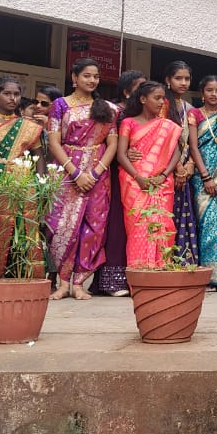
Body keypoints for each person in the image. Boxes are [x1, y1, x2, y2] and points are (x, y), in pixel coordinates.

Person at [46, 59, 120, 301]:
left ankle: (79, 281)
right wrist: (75, 172)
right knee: (62, 227)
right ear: (74, 77)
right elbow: (54, 142)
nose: (92, 80)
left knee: (94, 227)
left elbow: (112, 144)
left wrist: (96, 172)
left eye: (96, 76)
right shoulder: (60, 105)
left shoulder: (108, 108)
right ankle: (63, 282)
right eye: (87, 75)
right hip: (67, 172)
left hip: (98, 173)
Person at [0, 77, 45, 281]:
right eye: (7, 93)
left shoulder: (29, 126)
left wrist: (42, 188)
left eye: (16, 94)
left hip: (24, 182)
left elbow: (39, 157)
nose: (12, 98)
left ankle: (23, 275)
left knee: (23, 228)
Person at [117, 81, 183, 269]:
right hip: (134, 182)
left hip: (161, 181)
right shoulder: (128, 123)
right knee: (138, 227)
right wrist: (139, 178)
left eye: (163, 98)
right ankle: (140, 274)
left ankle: (161, 271)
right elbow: (121, 155)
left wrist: (164, 175)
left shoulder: (168, 125)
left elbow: (177, 150)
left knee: (163, 225)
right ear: (143, 99)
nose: (162, 102)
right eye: (157, 98)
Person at [93, 70, 143, 295]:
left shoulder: (142, 115)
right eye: (139, 86)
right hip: (113, 171)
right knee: (114, 225)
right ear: (126, 90)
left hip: (138, 176)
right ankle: (110, 281)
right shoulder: (114, 111)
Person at [187, 75, 217, 291]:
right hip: (203, 177)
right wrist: (206, 176)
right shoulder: (194, 114)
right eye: (209, 90)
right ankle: (208, 274)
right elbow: (193, 146)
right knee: (207, 226)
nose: (214, 94)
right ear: (202, 93)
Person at [162, 61, 199, 265]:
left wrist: (190, 164)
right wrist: (177, 168)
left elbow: (195, 142)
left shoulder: (190, 109)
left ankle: (183, 261)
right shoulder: (162, 106)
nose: (183, 82)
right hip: (167, 170)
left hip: (186, 170)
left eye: (186, 78)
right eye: (178, 78)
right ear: (168, 80)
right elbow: (164, 140)